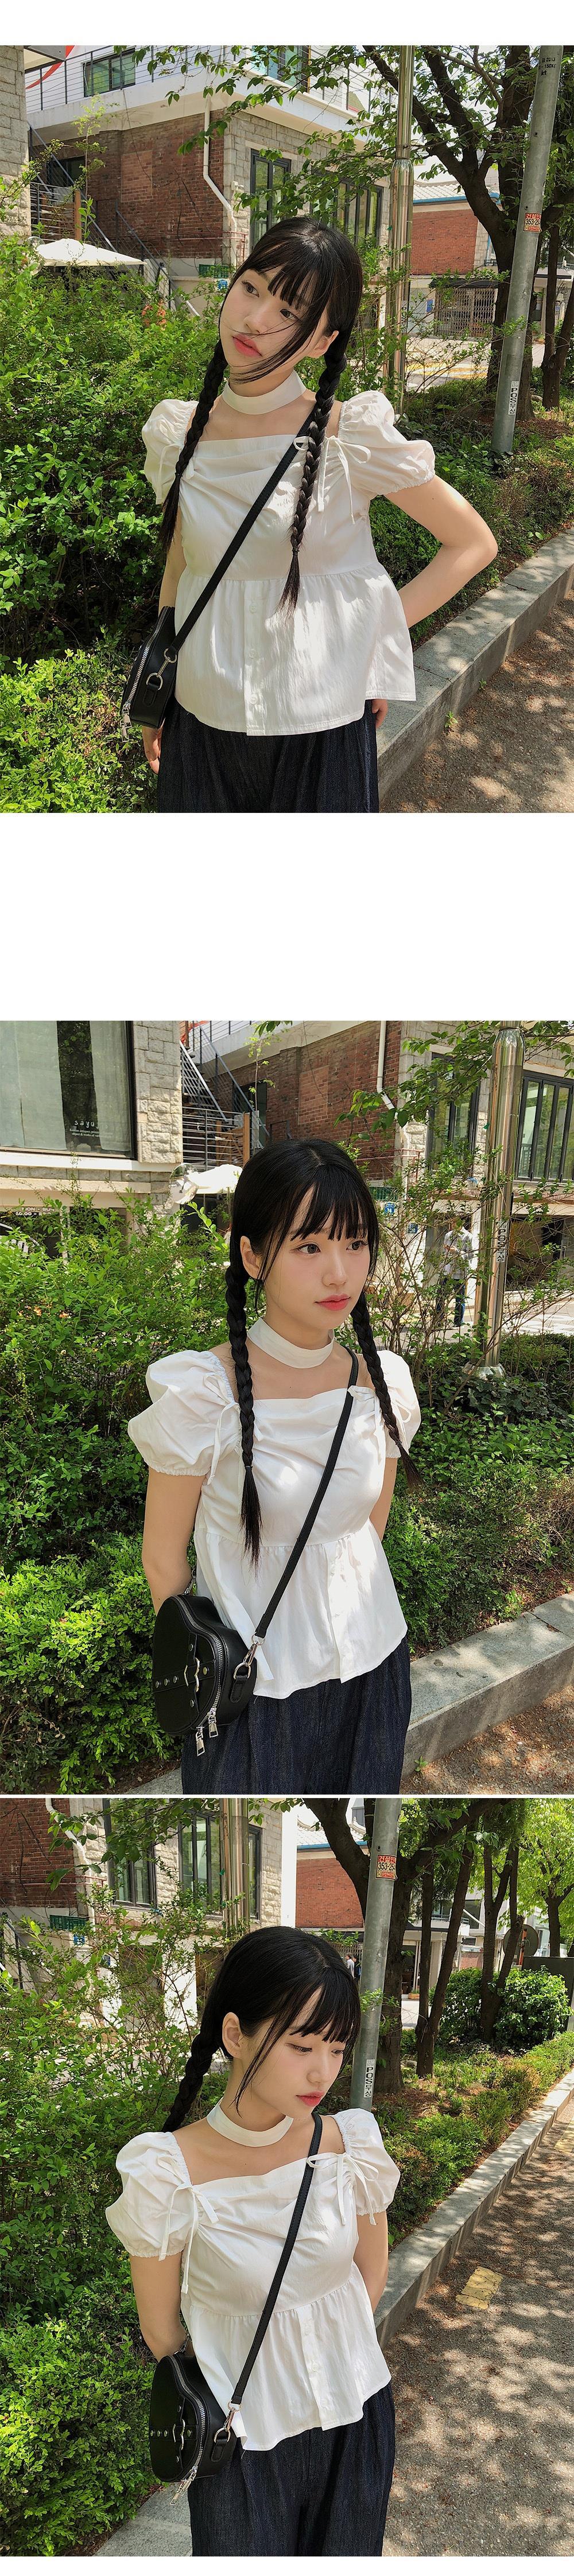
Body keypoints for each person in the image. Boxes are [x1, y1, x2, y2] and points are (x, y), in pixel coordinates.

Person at [139, 215, 498, 814]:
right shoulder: (179, 433)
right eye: (251, 287)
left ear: (323, 340)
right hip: (201, 717)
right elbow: (181, 568)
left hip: (321, 726)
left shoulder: (347, 437)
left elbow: (471, 543)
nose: (256, 319)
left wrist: (372, 644)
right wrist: (159, 690)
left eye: (289, 311)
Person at [129, 1137, 421, 1795]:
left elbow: (367, 1532)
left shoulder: (383, 1384)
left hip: (373, 1665)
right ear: (253, 1255)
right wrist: (201, 1663)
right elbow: (162, 1560)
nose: (339, 1273)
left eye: (355, 1243)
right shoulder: (203, 1393)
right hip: (253, 1690)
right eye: (309, 1246)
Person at [106, 1927, 400, 2558]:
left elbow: (370, 2274)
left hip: (356, 2409)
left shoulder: (350, 2144)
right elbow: (161, 2330)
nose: (322, 2071)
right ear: (236, 2035)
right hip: (241, 2440)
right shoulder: (167, 2172)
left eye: (337, 2047)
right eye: (301, 2045)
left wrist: (326, 2354)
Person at [436, 1223, 474, 1329]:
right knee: (440, 1296)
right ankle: (439, 1321)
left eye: (455, 1222)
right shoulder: (448, 1235)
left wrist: (457, 1251)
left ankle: (458, 1323)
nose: (453, 1224)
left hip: (460, 1272)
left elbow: (471, 1255)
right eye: (452, 1221)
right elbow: (445, 1253)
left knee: (459, 1299)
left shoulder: (468, 1236)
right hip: (447, 1271)